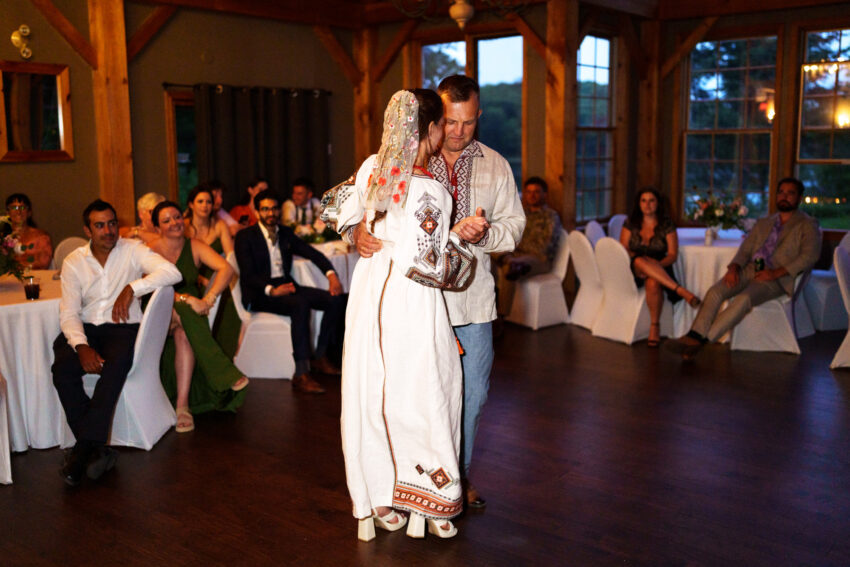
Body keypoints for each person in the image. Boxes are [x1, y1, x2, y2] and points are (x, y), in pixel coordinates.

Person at [334, 89, 481, 541]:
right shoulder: (430, 189)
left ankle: (377, 497)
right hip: (411, 300)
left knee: (372, 388)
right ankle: (431, 502)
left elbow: (333, 207)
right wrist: (461, 237)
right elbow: (435, 268)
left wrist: (355, 229)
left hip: (369, 294)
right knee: (427, 388)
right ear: (432, 130)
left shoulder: (369, 169)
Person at [52, 199, 181, 486]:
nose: (108, 230)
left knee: (114, 367)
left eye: (112, 223)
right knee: (62, 370)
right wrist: (81, 345)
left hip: (122, 328)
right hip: (85, 327)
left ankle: (82, 450)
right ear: (88, 229)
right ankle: (96, 448)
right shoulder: (74, 261)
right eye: (100, 225)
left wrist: (133, 287)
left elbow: (173, 273)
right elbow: (69, 312)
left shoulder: (132, 250)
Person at [667, 177, 821, 359]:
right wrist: (733, 268)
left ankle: (702, 341)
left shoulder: (807, 224)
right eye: (781, 192)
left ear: (800, 198)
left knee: (742, 299)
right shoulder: (765, 222)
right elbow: (745, 249)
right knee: (716, 291)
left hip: (775, 278)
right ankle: (694, 335)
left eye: (790, 193)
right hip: (749, 269)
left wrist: (776, 273)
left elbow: (809, 256)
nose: (784, 196)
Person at [148, 201, 248, 433]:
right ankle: (222, 370)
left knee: (184, 333)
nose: (174, 223)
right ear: (157, 227)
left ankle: (182, 406)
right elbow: (150, 288)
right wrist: (185, 299)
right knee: (184, 311)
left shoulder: (194, 245)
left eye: (176, 217)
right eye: (166, 220)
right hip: (160, 310)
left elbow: (227, 269)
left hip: (190, 314)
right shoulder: (150, 250)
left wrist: (209, 298)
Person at [234, 188, 346, 394]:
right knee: (300, 304)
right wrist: (271, 290)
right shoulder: (245, 237)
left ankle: (320, 356)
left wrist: (331, 275)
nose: (271, 213)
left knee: (335, 299)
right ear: (258, 212)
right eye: (265, 209)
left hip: (286, 287)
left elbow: (311, 252)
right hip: (259, 294)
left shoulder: (284, 233)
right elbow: (248, 275)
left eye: (274, 209)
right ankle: (301, 373)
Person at [619, 187, 700, 347]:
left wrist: (657, 265)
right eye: (643, 201)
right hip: (633, 267)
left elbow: (672, 255)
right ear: (639, 204)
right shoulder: (630, 222)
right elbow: (623, 248)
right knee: (640, 260)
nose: (647, 205)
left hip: (660, 268)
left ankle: (654, 327)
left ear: (658, 204)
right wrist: (639, 261)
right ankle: (680, 291)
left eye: (651, 201)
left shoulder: (667, 225)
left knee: (653, 282)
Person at [493, 177, 563, 320]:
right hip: (516, 255)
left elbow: (544, 247)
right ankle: (510, 261)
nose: (532, 195)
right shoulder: (521, 214)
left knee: (509, 269)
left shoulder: (551, 216)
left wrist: (517, 247)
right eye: (528, 191)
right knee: (488, 249)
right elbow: (510, 235)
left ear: (545, 194)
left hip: (538, 259)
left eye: (536, 192)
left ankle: (501, 316)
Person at [183, 184, 234, 286]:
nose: (205, 205)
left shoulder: (220, 225)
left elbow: (230, 256)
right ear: (191, 205)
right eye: (200, 201)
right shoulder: (183, 227)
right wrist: (201, 280)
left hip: (218, 276)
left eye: (209, 202)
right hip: (190, 278)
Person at [5, 193, 53, 269]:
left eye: (23, 207)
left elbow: (43, 263)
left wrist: (15, 266)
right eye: (14, 208)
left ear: (29, 213)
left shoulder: (41, 236)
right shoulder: (3, 237)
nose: (18, 212)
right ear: (8, 213)